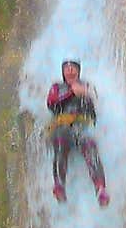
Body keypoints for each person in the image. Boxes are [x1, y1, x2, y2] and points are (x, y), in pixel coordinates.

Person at [46, 59, 110, 207]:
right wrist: (70, 92)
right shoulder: (56, 87)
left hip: (81, 127)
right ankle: (59, 184)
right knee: (60, 141)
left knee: (90, 145)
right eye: (66, 68)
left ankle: (100, 188)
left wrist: (86, 94)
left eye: (73, 68)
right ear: (62, 72)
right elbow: (51, 104)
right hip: (62, 127)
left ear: (79, 70)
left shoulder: (87, 87)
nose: (70, 71)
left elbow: (96, 108)